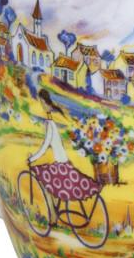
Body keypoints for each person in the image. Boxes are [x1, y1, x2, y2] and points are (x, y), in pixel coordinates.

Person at [28, 89, 101, 226]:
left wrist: (32, 159)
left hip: (60, 166)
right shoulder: (52, 122)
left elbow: (45, 145)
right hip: (64, 163)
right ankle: (55, 216)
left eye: (42, 103)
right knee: (51, 185)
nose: (41, 105)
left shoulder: (50, 124)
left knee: (45, 184)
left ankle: (53, 216)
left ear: (46, 103)